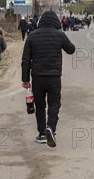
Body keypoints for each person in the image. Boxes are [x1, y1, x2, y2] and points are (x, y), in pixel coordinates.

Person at [21, 10, 75, 147]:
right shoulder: (60, 35)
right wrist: (62, 37)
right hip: (54, 77)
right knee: (54, 103)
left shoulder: (32, 36)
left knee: (40, 105)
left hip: (37, 77)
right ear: (56, 22)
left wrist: (25, 79)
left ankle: (41, 134)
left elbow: (26, 60)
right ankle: (51, 127)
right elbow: (71, 50)